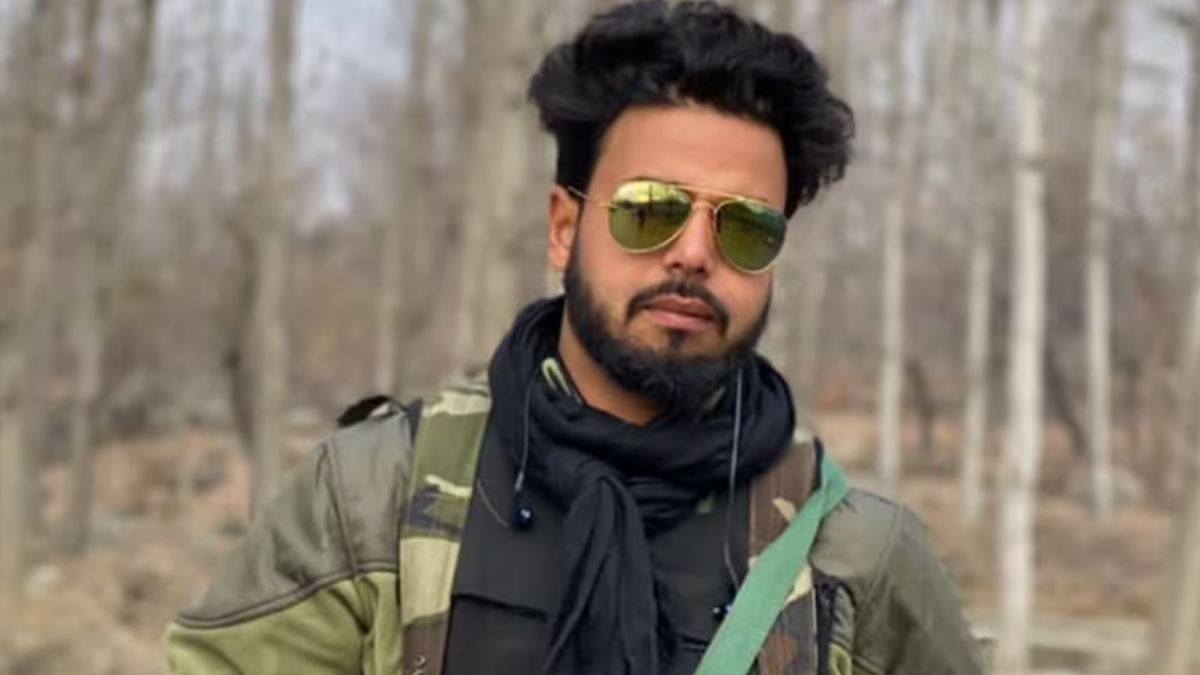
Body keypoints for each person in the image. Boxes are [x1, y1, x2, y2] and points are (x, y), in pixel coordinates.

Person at [165, 2, 985, 674]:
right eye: (650, 211)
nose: (693, 254)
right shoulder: (373, 500)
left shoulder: (855, 559)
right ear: (565, 227)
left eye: (744, 228)